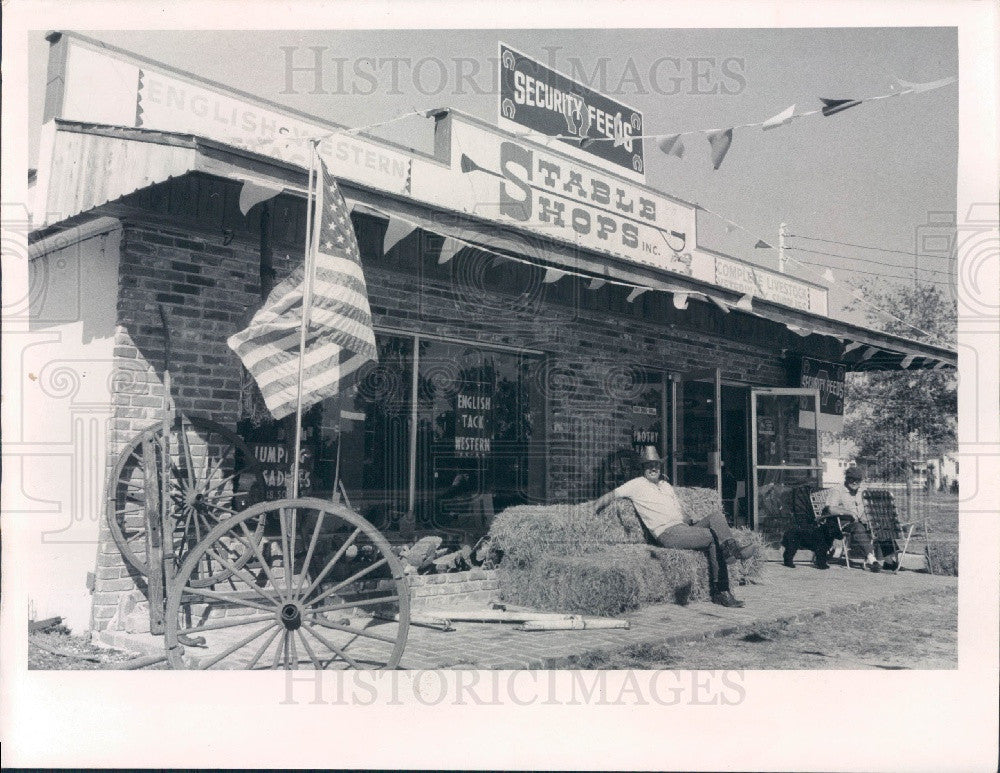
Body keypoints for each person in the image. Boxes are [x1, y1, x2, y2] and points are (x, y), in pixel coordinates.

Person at [592, 446, 756, 608]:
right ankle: (721, 591)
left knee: (716, 516)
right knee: (712, 537)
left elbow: (680, 511)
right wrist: (591, 510)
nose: (653, 468)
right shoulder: (635, 484)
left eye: (655, 465)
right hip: (668, 533)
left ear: (659, 466)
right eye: (649, 465)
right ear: (643, 468)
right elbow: (611, 495)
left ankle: (732, 549)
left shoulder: (666, 486)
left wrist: (691, 522)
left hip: (683, 527)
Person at [820, 466, 883, 572]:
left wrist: (867, 517)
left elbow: (867, 507)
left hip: (859, 521)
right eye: (851, 479)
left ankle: (890, 560)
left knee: (881, 525)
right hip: (842, 523)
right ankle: (871, 559)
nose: (854, 482)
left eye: (858, 480)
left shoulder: (863, 490)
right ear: (846, 478)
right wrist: (849, 513)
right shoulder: (837, 490)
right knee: (858, 527)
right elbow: (831, 509)